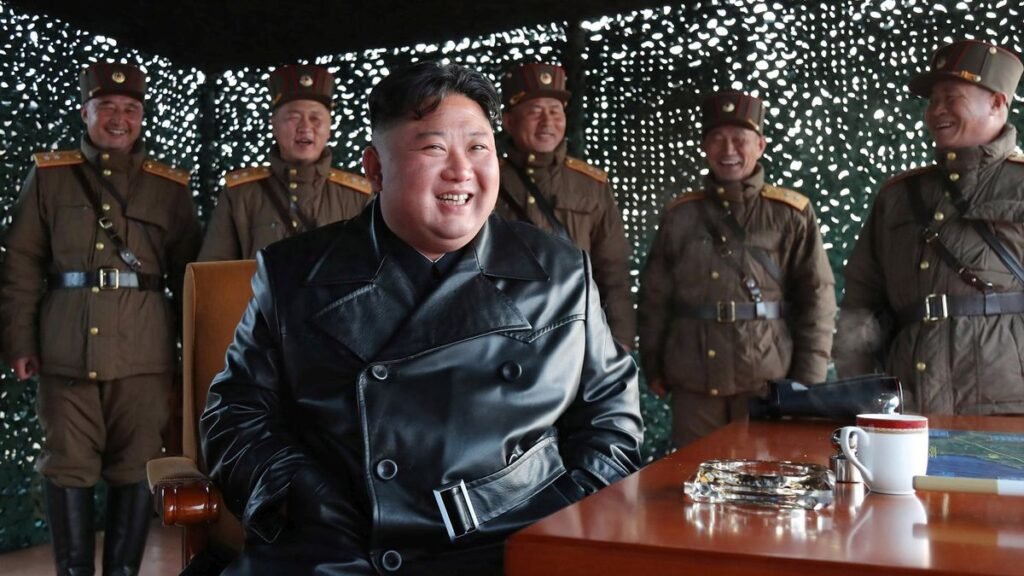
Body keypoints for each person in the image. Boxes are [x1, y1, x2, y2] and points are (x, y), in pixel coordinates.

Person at [200, 62, 643, 575]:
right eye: (434, 148)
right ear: (375, 169)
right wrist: (304, 496)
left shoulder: (560, 271)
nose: (461, 170)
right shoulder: (292, 273)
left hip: (511, 545)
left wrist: (560, 521)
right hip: (341, 549)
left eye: (478, 148)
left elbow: (610, 418)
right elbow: (234, 415)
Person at [0, 62, 202, 575]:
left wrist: (191, 359)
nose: (118, 118)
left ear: (141, 118)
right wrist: (20, 341)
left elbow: (190, 277)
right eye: (107, 106)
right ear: (85, 111)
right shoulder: (50, 176)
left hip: (145, 355)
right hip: (66, 349)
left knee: (136, 467)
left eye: (131, 109)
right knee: (66, 466)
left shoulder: (169, 187)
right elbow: (21, 263)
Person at [834, 40, 1024, 415]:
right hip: (908, 401)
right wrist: (857, 389)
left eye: (951, 98)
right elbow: (861, 300)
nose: (936, 110)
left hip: (1006, 404)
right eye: (933, 100)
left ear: (997, 103)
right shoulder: (898, 195)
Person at [638, 91, 836, 447]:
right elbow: (655, 297)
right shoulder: (681, 214)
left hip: (765, 383)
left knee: (763, 476)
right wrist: (653, 365)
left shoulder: (791, 213)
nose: (728, 149)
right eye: (717, 138)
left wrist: (807, 380)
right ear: (705, 147)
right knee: (694, 475)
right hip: (694, 382)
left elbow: (817, 298)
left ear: (760, 145)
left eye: (739, 139)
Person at [493, 62, 636, 349]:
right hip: (501, 333)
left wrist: (620, 343)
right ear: (509, 121)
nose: (547, 122)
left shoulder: (591, 185)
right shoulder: (485, 179)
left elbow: (613, 272)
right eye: (535, 112)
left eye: (555, 112)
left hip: (574, 334)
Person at [198, 64, 371, 261]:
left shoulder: (358, 197)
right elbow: (213, 269)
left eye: (315, 118)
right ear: (273, 125)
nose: (305, 127)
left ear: (329, 127)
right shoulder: (240, 194)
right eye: (293, 117)